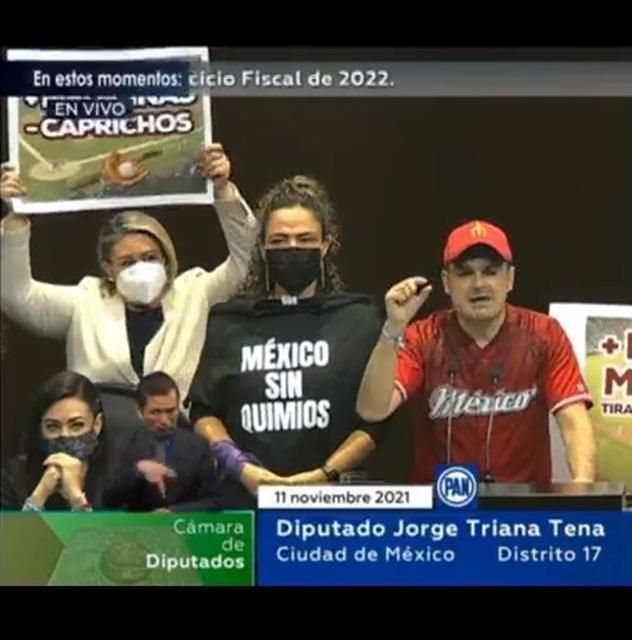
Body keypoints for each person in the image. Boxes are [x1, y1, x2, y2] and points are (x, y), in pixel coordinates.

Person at [188, 175, 389, 504]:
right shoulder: (229, 321)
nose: (292, 248)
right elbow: (202, 411)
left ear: (326, 245)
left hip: (333, 502)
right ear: (263, 249)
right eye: (279, 241)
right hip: (246, 499)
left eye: (305, 239)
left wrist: (324, 476)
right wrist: (241, 468)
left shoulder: (359, 318)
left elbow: (376, 423)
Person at [0, 144, 257, 399]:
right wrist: (16, 219)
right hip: (107, 435)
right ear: (108, 268)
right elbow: (17, 296)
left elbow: (248, 263)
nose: (141, 268)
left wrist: (223, 191)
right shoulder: (85, 302)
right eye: (127, 262)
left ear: (166, 260)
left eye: (150, 257)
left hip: (181, 434)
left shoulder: (195, 292)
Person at [356, 219, 596, 485]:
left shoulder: (544, 333)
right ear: (447, 282)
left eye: (490, 271)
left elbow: (574, 422)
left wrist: (583, 485)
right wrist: (393, 328)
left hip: (524, 513)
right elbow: (372, 410)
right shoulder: (422, 337)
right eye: (465, 273)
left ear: (510, 278)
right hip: (440, 513)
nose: (479, 284)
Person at [103, 372, 224, 512]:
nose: (164, 421)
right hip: (138, 529)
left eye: (170, 411)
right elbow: (108, 500)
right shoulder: (123, 445)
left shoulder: (198, 446)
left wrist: (174, 512)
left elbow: (215, 502)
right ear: (140, 411)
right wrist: (137, 470)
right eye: (156, 412)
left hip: (186, 527)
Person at [1, 371, 110, 511]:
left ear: (97, 424)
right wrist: (40, 494)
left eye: (77, 425)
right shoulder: (11, 478)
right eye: (52, 427)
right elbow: (14, 533)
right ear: (40, 429)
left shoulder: (118, 480)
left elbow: (104, 533)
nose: (65, 435)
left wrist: (76, 498)